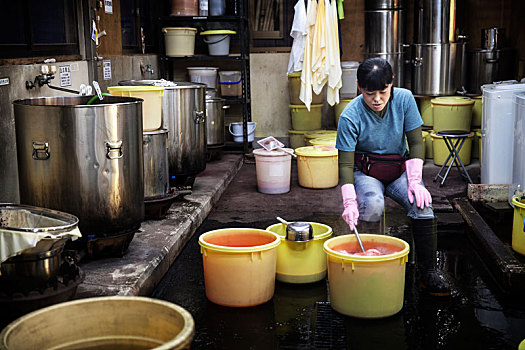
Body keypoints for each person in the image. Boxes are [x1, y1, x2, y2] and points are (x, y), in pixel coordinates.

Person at [335, 57, 450, 297]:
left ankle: (428, 273)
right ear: (358, 87)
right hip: (366, 172)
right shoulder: (349, 116)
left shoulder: (405, 99)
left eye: (383, 91)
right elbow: (345, 164)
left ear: (392, 84)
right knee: (373, 205)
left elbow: (417, 142)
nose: (377, 99)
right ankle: (370, 268)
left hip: (399, 170)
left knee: (423, 205)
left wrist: (416, 182)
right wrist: (349, 201)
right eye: (369, 93)